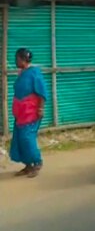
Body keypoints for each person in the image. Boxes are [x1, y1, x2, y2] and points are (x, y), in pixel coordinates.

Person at [9, 49, 48, 178]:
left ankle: (37, 162)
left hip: (31, 112)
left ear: (23, 59)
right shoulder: (22, 73)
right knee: (19, 139)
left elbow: (41, 93)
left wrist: (40, 109)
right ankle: (28, 165)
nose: (16, 60)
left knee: (27, 138)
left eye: (17, 58)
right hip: (21, 113)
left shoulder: (34, 73)